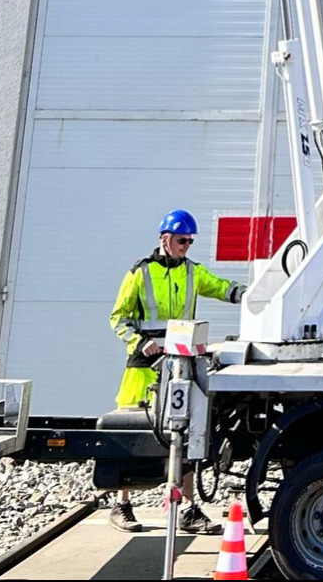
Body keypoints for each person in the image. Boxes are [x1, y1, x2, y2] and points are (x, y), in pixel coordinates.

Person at [106, 208, 243, 534]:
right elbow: (118, 318)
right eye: (183, 240)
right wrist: (140, 342)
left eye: (191, 241)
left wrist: (253, 295)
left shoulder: (193, 273)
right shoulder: (140, 273)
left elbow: (222, 287)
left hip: (179, 363)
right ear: (165, 239)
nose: (187, 246)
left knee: (186, 434)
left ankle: (188, 510)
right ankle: (121, 505)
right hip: (143, 365)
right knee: (132, 434)